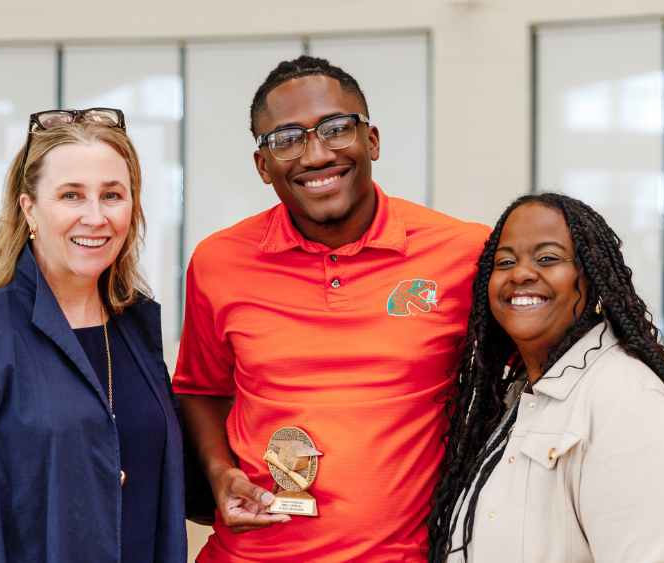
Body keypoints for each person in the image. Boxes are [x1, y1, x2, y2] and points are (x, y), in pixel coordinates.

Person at [173, 56, 490, 562]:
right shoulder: (218, 262)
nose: (316, 154)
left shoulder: (465, 252)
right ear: (262, 165)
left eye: (336, 128)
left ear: (373, 141)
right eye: (287, 139)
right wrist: (217, 472)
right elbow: (200, 389)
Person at [0, 109, 188, 563]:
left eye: (112, 194)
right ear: (29, 208)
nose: (95, 217)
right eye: (71, 195)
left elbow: (154, 472)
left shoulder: (135, 324)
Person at [426, 193, 664, 563]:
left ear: (590, 276)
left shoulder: (630, 403)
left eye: (548, 258)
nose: (520, 273)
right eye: (504, 262)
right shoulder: (517, 396)